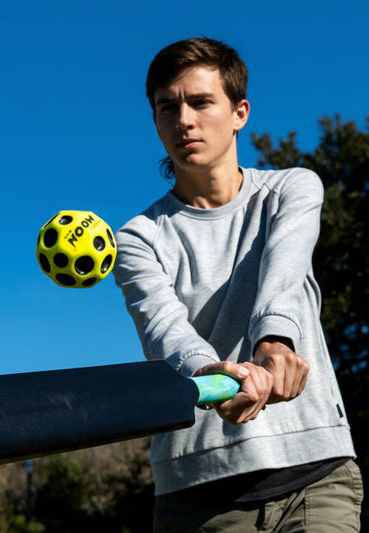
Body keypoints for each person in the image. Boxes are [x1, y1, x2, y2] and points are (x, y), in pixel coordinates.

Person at [113, 37, 363, 532]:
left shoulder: (292, 189)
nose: (183, 119)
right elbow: (165, 330)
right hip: (198, 493)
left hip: (316, 473)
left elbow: (284, 274)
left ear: (239, 112)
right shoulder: (137, 237)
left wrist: (274, 342)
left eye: (201, 102)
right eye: (168, 107)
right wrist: (214, 378)